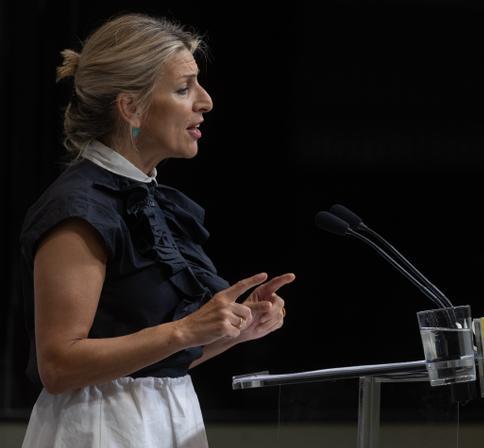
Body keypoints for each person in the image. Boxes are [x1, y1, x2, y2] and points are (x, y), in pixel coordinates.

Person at [18, 13, 294, 447]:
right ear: (131, 107)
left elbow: (156, 359)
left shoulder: (148, 200)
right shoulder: (80, 207)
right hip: (100, 429)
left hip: (168, 418)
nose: (205, 101)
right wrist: (187, 329)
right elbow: (59, 365)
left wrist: (230, 330)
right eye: (184, 88)